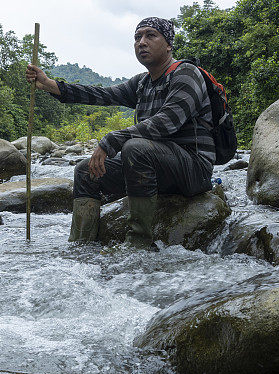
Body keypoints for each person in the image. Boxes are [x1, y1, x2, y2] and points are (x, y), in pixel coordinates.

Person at [25, 17, 214, 248]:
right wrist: (50, 85)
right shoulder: (143, 83)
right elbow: (102, 95)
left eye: (150, 35)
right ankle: (80, 246)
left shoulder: (186, 73)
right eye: (137, 37)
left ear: (168, 45)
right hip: (155, 171)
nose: (141, 42)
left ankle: (139, 244)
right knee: (86, 171)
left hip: (192, 169)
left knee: (135, 148)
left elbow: (168, 122)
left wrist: (111, 140)